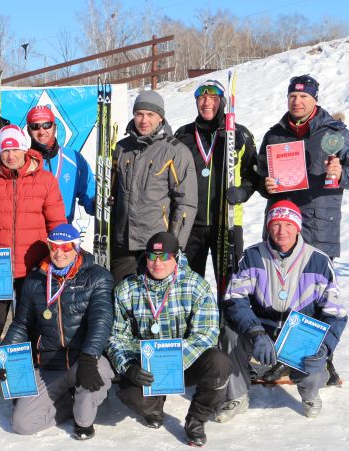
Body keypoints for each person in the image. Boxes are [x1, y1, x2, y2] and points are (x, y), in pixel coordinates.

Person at [255, 74, 349, 384]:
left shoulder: (335, 133)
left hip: (319, 221)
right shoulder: (275, 135)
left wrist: (341, 171)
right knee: (282, 291)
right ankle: (284, 356)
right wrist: (266, 184)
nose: (297, 102)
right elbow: (261, 175)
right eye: (293, 97)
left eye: (304, 97)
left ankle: (322, 359)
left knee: (319, 293)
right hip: (284, 223)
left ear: (315, 100)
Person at [217, 201, 347, 421]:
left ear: (298, 227)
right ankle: (236, 395)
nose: (281, 231)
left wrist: (325, 347)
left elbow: (335, 313)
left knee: (316, 355)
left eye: (288, 224)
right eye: (276, 224)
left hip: (299, 333)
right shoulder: (253, 256)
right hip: (262, 328)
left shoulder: (318, 260)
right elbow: (234, 298)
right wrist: (255, 331)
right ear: (268, 226)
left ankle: (310, 393)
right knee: (229, 333)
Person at [0, 125, 66, 408]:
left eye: (15, 148)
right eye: (5, 149)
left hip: (33, 267)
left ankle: (23, 385)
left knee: (30, 329)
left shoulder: (45, 180)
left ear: (25, 148)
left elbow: (56, 224)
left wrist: (56, 258)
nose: (10, 155)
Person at [106, 232, 229, 447]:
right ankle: (153, 406)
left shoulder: (196, 285)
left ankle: (197, 419)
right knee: (131, 394)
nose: (157, 263)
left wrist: (174, 361)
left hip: (184, 361)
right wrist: (128, 366)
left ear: (176, 256)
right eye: (152, 257)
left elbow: (206, 333)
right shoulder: (127, 289)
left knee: (219, 364)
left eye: (164, 257)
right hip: (147, 365)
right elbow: (116, 336)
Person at [0, 224, 114, 440]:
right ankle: (67, 401)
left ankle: (83, 412)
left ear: (77, 248)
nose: (59, 253)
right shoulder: (35, 280)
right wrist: (4, 354)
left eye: (66, 247)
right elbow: (22, 324)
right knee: (23, 424)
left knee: (84, 416)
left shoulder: (98, 277)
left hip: (83, 360)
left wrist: (89, 357)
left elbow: (101, 321)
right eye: (53, 247)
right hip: (50, 365)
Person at [174, 79, 257, 280]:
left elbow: (253, 173)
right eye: (202, 97)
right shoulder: (183, 135)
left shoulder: (240, 134)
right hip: (191, 224)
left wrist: (243, 191)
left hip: (227, 221)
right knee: (188, 285)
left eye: (213, 97)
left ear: (222, 101)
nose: (206, 103)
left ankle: (227, 313)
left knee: (230, 284)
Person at [111, 90, 197, 284]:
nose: (144, 120)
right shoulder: (121, 148)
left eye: (150, 114)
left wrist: (173, 244)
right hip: (124, 244)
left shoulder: (175, 151)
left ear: (160, 117)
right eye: (139, 114)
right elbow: (113, 191)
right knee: (120, 299)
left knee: (155, 303)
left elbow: (186, 203)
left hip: (157, 245)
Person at [26, 105, 95, 223]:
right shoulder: (23, 161)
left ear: (54, 127)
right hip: (31, 234)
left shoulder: (73, 158)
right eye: (35, 126)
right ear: (28, 130)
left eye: (47, 125)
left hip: (63, 234)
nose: (42, 131)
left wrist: (96, 202)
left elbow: (88, 192)